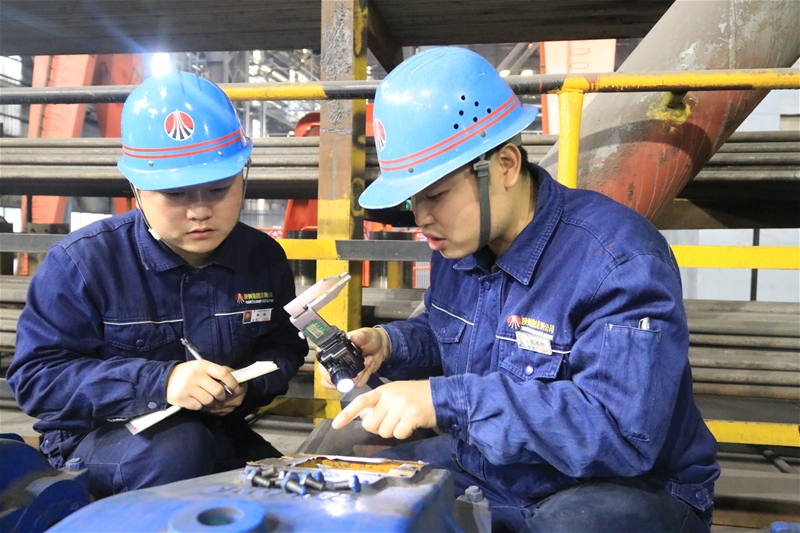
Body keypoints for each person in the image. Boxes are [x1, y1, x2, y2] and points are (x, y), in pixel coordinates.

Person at [326, 47, 720, 533]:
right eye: (412, 200)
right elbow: (454, 331)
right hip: (492, 468)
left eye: (436, 194)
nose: (422, 218)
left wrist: (446, 401)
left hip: (625, 486)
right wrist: (391, 345)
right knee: (344, 481)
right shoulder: (459, 242)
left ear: (506, 165)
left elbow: (620, 432)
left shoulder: (618, 259)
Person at [7, 71, 308, 498]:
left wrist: (248, 387)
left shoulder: (261, 258)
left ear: (244, 175)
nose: (199, 211)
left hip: (219, 431)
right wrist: (160, 383)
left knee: (290, 493)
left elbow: (284, 348)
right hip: (97, 440)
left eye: (218, 189)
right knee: (179, 450)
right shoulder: (82, 263)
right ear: (137, 188)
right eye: (176, 194)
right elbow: (37, 377)